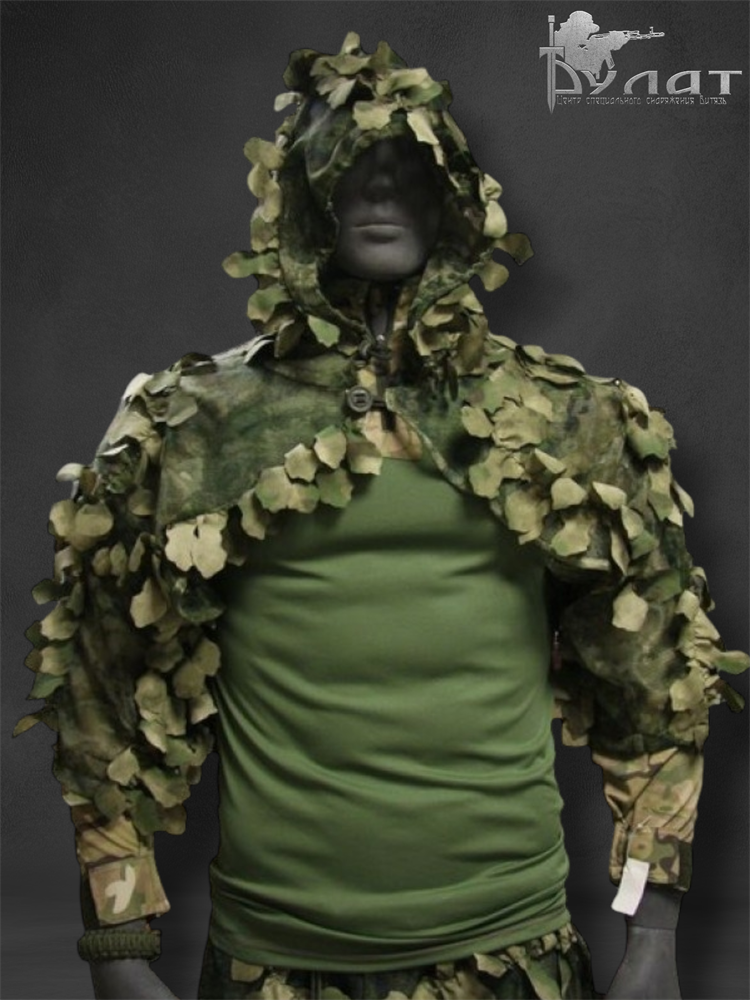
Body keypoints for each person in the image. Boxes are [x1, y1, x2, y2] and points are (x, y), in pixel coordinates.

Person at [16, 33, 748, 1000]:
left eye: (412, 167)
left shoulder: (570, 419)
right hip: (274, 962)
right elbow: (105, 689)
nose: (382, 191)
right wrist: (118, 944)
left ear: (455, 197)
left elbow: (653, 685)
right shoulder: (191, 425)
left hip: (512, 953)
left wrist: (653, 936)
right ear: (300, 194)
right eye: (350, 164)